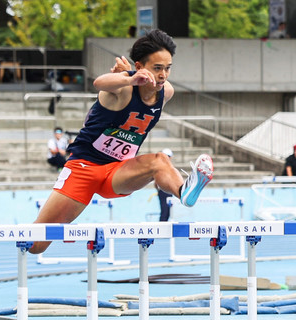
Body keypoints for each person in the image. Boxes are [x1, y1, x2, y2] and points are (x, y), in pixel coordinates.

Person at [29, 29, 214, 254]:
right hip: (84, 169)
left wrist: (132, 75)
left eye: (167, 68)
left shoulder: (166, 92)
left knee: (160, 160)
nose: (163, 75)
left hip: (118, 171)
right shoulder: (124, 88)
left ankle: (184, 190)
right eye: (157, 68)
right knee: (36, 244)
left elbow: (154, 85)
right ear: (139, 66)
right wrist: (128, 77)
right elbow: (99, 82)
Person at [155, 148, 174, 221]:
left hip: (167, 191)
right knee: (164, 212)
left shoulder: (166, 166)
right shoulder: (162, 166)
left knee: (167, 212)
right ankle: (161, 229)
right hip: (164, 191)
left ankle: (163, 228)